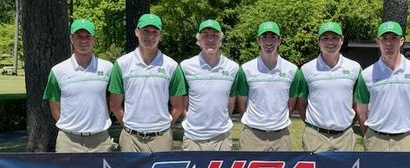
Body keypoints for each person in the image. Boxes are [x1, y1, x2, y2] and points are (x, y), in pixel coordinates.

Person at [108, 13, 185, 152]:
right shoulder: (122, 64)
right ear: (137, 32)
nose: (150, 36)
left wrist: (164, 126)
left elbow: (178, 106)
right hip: (130, 138)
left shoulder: (171, 66)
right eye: (146, 31)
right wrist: (128, 125)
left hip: (161, 138)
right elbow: (114, 105)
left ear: (160, 35)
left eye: (155, 32)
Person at [355, 21, 410, 151]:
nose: (389, 43)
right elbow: (361, 113)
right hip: (375, 140)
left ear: (401, 41)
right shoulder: (366, 74)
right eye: (384, 38)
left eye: (394, 38)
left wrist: (409, 136)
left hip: (405, 140)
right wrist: (370, 136)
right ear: (377, 42)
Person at [43, 19, 115, 153]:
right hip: (68, 142)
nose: (83, 40)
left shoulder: (108, 68)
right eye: (79, 36)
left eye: (88, 36)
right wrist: (72, 128)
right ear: (71, 39)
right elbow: (54, 107)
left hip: (101, 141)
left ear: (95, 39)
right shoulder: (58, 70)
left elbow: (112, 100)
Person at [236, 21, 302, 151]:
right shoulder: (246, 69)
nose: (269, 42)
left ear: (279, 40)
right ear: (258, 41)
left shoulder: (292, 70)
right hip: (252, 136)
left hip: (281, 137)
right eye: (264, 37)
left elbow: (291, 104)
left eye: (273, 37)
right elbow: (242, 104)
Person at [297, 22, 361, 151]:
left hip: (345, 137)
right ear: (318, 42)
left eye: (334, 38)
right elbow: (301, 104)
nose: (330, 42)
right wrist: (313, 127)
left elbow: (357, 103)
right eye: (325, 38)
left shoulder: (355, 67)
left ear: (342, 40)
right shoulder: (306, 69)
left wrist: (346, 124)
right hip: (314, 136)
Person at [179, 19, 239, 151]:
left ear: (221, 40)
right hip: (193, 138)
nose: (210, 39)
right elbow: (183, 102)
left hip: (222, 139)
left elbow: (230, 103)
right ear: (198, 40)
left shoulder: (233, 68)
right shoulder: (186, 66)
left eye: (215, 35)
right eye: (205, 35)